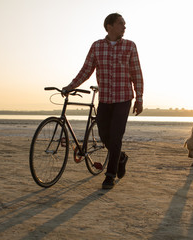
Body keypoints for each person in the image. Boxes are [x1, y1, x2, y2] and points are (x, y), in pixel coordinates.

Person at [62, 13, 144, 189]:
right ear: (110, 26)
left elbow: (136, 73)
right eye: (121, 24)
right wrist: (70, 86)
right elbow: (86, 70)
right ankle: (121, 157)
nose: (124, 27)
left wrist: (140, 98)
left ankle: (109, 175)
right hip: (105, 99)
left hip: (123, 99)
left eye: (124, 24)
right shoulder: (97, 46)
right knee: (104, 136)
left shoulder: (130, 46)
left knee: (116, 136)